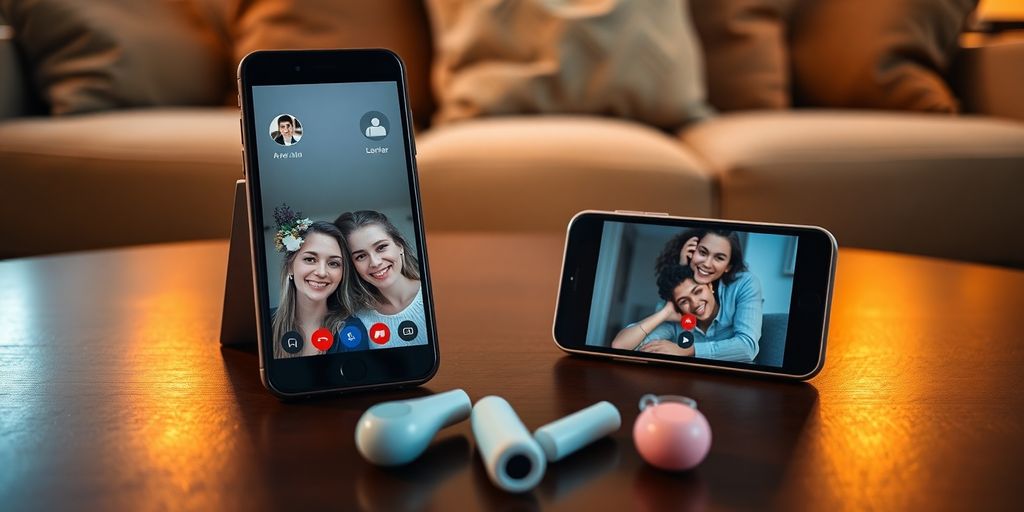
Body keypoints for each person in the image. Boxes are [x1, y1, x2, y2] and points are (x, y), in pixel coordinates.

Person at [611, 264, 759, 361]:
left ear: (709, 286)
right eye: (684, 301)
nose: (695, 304)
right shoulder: (676, 324)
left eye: (697, 291)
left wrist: (686, 350)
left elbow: (747, 349)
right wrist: (665, 312)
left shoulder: (734, 308)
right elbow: (620, 346)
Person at [271, 216, 367, 358]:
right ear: (290, 266)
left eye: (333, 263)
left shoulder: (352, 329)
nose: (321, 272)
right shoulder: (264, 323)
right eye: (310, 259)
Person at [334, 210, 426, 348]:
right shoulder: (357, 320)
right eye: (361, 256)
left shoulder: (433, 294)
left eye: (381, 247)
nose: (375, 262)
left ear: (399, 246)